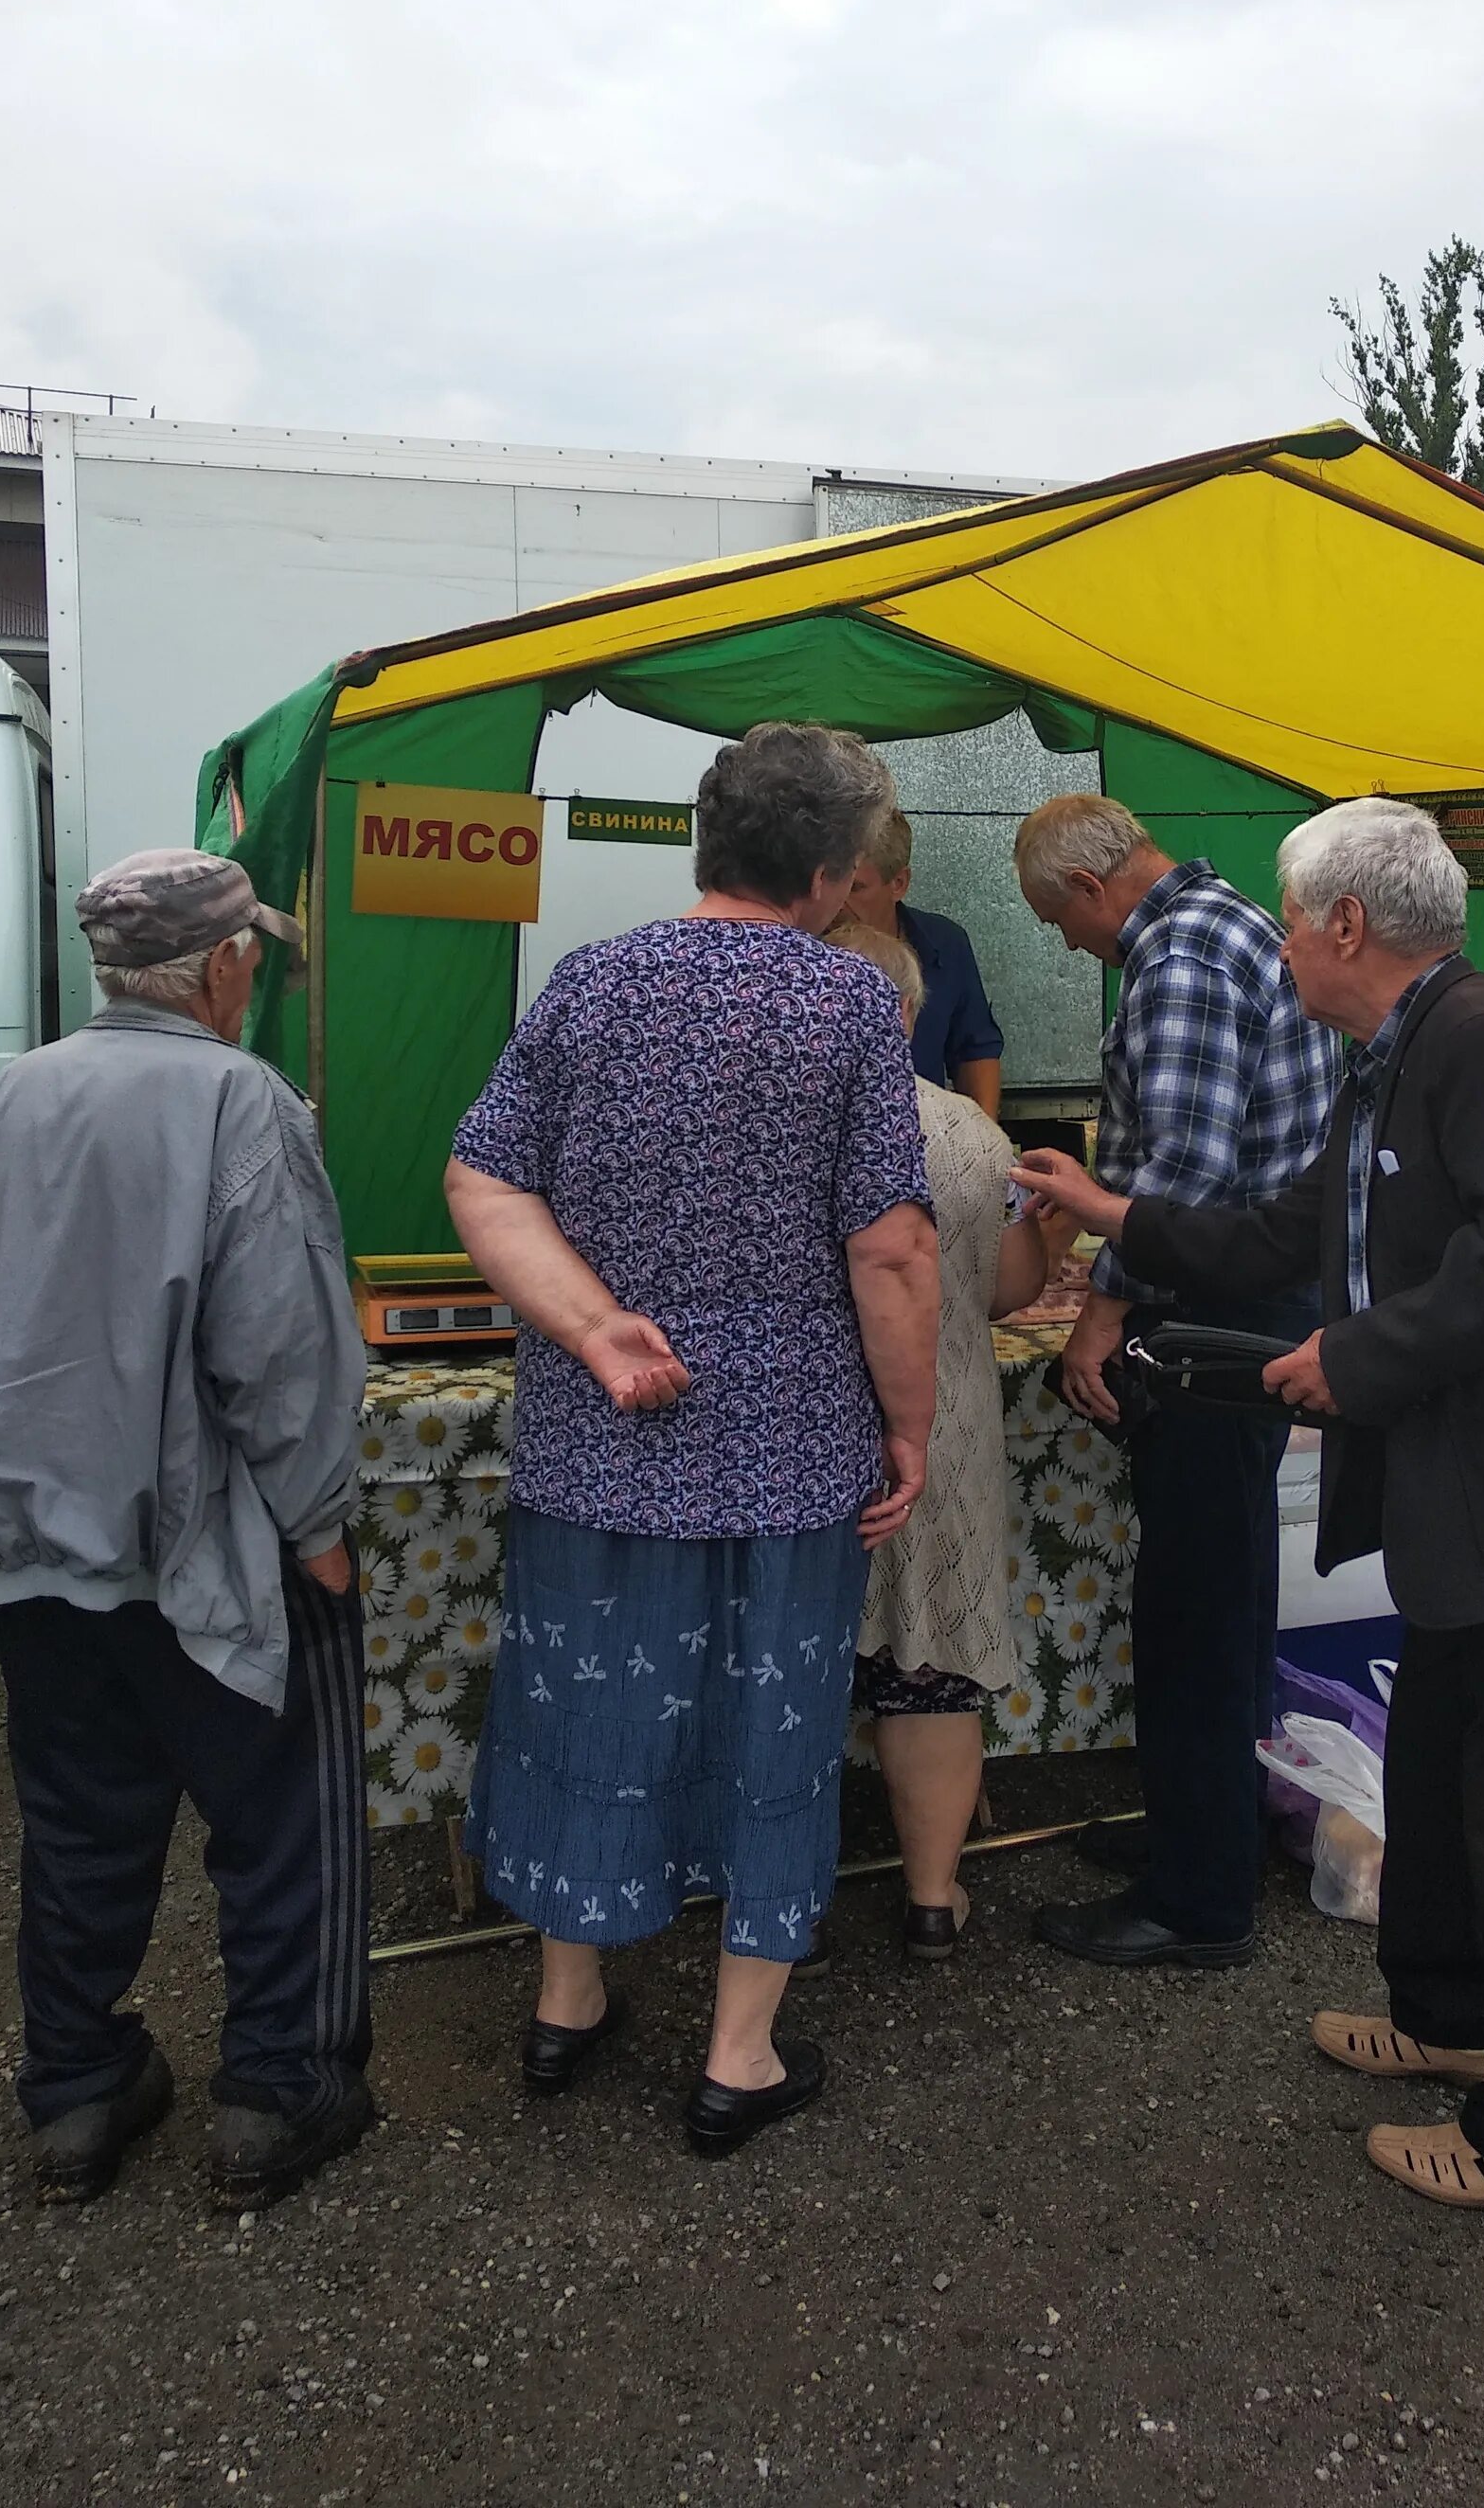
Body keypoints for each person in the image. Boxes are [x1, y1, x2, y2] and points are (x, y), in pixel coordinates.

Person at [1015, 797, 1484, 2230]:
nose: (1277, 944)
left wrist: (1354, 1358)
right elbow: (1286, 1231)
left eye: (1289, 918)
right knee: (1448, 1779)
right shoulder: (1388, 1056)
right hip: (1478, 1501)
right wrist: (1111, 1213)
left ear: (1346, 924)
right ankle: (1448, 2016)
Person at [445, 722, 939, 2159]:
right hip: (786, 1460)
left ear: (704, 842)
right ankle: (736, 2058)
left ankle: (566, 2001)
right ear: (837, 873)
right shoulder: (845, 1006)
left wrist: (595, 1328)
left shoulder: (589, 985)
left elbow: (484, 1179)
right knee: (769, 1731)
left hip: (598, 1453)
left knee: (582, 1713)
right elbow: (893, 1252)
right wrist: (907, 1426)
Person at [0, 850, 372, 2211]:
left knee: (80, 1827)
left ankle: (79, 2095)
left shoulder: (11, 1095)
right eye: (255, 958)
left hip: (29, 1550)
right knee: (281, 1824)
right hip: (195, 1551)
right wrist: (320, 1526)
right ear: (223, 967)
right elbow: (276, 1352)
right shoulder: (243, 1101)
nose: (260, 976)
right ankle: (280, 2097)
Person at [1010, 797, 1340, 1969]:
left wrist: (1096, 1319)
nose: (1066, 944)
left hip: (1217, 1312)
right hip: (1258, 1296)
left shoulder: (1183, 955)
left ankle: (1198, 1903)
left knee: (1195, 1607)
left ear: (1095, 889)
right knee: (1231, 1586)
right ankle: (1210, 1826)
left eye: (1058, 920)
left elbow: (1185, 1184)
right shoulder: (1227, 922)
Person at [827, 922, 1059, 1954]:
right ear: (911, 1016)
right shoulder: (971, 1132)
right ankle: (930, 1901)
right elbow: (1013, 1291)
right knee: (929, 1670)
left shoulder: (781, 1122)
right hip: (945, 1428)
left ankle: (781, 1906)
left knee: (793, 1669)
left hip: (807, 1434)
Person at [844, 806, 1005, 1116]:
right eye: (830, 882)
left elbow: (975, 1050)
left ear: (899, 884)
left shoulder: (944, 944)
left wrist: (984, 1137)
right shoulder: (805, 947)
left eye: (855, 888)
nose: (838, 901)